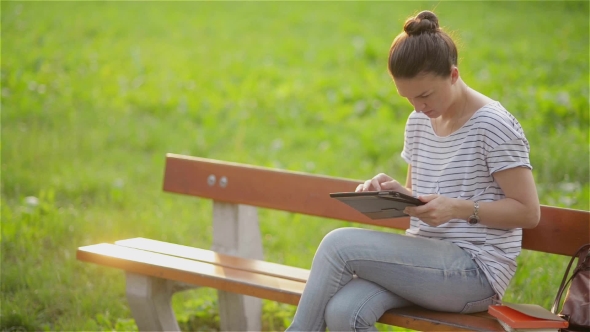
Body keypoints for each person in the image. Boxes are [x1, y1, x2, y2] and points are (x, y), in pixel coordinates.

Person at [286, 10, 540, 332]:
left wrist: (457, 209)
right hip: (426, 262)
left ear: (453, 74)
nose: (418, 107)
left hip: (475, 272)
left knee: (338, 245)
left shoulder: (494, 125)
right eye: (407, 98)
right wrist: (397, 195)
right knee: (343, 312)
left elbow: (528, 213)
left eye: (424, 95)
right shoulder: (419, 121)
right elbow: (420, 205)